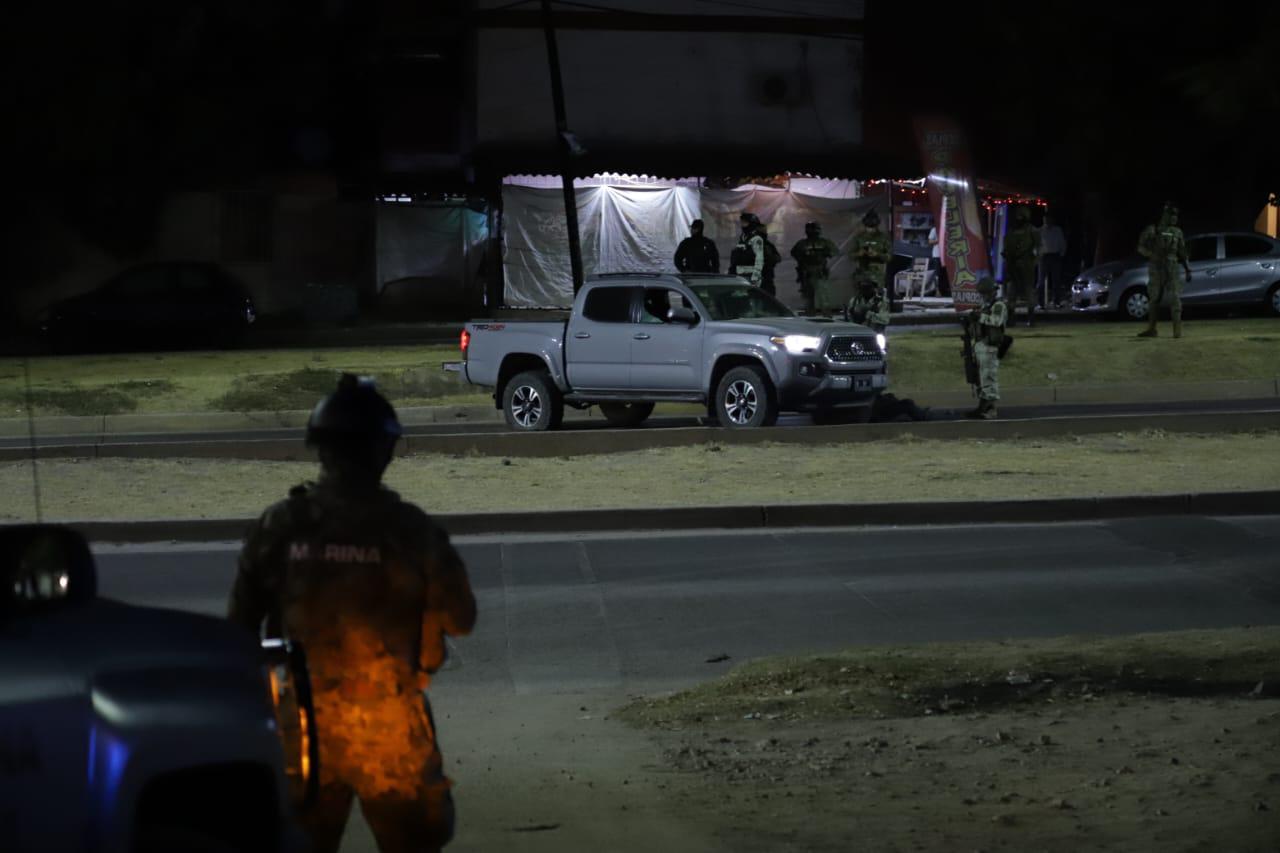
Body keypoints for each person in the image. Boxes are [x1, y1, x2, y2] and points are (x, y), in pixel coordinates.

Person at [229, 374, 477, 853]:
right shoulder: (412, 532)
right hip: (388, 727)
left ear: (320, 450)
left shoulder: (280, 526)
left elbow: (238, 630)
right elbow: (462, 618)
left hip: (304, 729)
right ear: (384, 451)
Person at [1136, 202, 1192, 338]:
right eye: (1171, 215)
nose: (1174, 218)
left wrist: (1187, 269)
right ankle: (1152, 329)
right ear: (1164, 215)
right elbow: (1140, 247)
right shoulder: (1153, 229)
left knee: (1175, 298)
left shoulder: (1178, 232)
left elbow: (1182, 252)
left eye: (1176, 215)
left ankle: (1177, 331)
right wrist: (1151, 254)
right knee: (1154, 298)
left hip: (1172, 267)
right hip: (1156, 267)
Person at [963, 276, 1007, 419]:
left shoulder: (999, 306)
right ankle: (982, 407)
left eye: (985, 293)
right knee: (981, 379)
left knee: (989, 378)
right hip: (981, 345)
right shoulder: (985, 307)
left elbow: (996, 321)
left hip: (990, 347)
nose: (983, 296)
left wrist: (979, 317)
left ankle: (990, 409)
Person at [1001, 206, 1040, 326]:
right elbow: (1006, 248)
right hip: (1013, 264)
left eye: (1022, 215)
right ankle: (1011, 318)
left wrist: (1034, 261)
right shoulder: (1011, 231)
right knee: (1012, 292)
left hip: (1026, 264)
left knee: (1028, 291)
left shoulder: (1032, 230)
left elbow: (1038, 247)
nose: (1019, 218)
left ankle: (1031, 318)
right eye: (1018, 215)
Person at [790, 221, 838, 314]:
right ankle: (810, 316)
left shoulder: (824, 242)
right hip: (807, 272)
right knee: (808, 298)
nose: (812, 231)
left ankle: (826, 316)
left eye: (813, 229)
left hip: (819, 272)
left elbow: (834, 251)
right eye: (810, 229)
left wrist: (824, 253)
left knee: (823, 297)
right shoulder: (802, 243)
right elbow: (795, 254)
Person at [849, 211, 891, 317]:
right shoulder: (859, 238)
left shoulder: (883, 238)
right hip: (862, 271)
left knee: (878, 299)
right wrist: (860, 253)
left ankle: (877, 318)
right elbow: (850, 255)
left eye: (873, 226)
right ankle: (859, 317)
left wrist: (877, 254)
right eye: (868, 226)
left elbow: (889, 257)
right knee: (860, 298)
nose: (870, 229)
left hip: (877, 273)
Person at [1038, 213, 1068, 307]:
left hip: (1055, 256)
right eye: (1045, 219)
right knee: (1041, 282)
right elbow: (1036, 244)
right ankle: (1041, 303)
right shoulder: (1040, 231)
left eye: (1048, 219)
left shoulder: (1057, 230)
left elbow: (1062, 242)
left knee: (1056, 281)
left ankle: (1056, 302)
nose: (1047, 221)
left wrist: (1061, 254)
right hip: (1044, 257)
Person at [729, 212, 765, 288]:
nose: (742, 225)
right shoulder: (743, 237)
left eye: (745, 223)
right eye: (742, 222)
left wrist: (755, 277)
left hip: (750, 276)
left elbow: (759, 259)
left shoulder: (756, 239)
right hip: (739, 275)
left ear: (752, 224)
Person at [755, 221, 783, 296]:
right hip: (755, 276)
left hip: (767, 275)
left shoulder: (768, 245)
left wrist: (769, 259)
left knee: (769, 296)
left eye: (764, 232)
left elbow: (778, 258)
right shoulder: (750, 244)